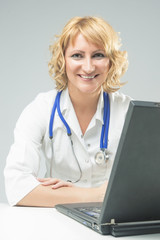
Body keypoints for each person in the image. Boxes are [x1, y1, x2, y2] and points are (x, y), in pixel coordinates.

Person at [4, 16, 131, 207]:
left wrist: (62, 194)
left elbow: (147, 186)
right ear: (62, 60)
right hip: (57, 224)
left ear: (111, 61)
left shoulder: (129, 112)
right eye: (77, 55)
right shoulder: (41, 109)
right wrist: (98, 195)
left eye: (98, 55)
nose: (88, 67)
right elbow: (16, 188)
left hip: (111, 227)